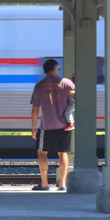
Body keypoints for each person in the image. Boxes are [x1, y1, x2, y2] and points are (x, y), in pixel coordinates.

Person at [30, 59, 75, 191]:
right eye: (58, 69)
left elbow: (35, 109)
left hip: (47, 126)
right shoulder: (67, 83)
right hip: (65, 126)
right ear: (55, 69)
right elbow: (75, 100)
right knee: (63, 153)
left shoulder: (39, 85)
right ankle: (62, 184)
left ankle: (44, 184)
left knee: (42, 153)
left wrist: (33, 128)